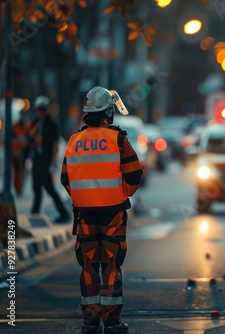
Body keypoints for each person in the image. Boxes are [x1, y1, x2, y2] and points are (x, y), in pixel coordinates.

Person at [60, 86, 142, 334]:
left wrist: (85, 198)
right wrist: (119, 194)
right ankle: (113, 321)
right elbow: (134, 174)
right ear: (109, 113)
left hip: (84, 214)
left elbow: (66, 179)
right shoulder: (118, 139)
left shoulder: (74, 141)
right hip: (113, 214)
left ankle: (91, 321)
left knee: (88, 265)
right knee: (110, 265)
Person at [26, 96, 70, 222]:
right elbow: (29, 138)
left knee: (49, 188)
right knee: (37, 188)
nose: (41, 111)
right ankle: (34, 213)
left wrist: (52, 162)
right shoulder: (35, 123)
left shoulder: (51, 124)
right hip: (37, 159)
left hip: (45, 160)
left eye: (43, 109)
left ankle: (61, 213)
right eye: (39, 109)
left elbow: (55, 145)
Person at [12, 111, 31, 195]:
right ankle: (17, 188)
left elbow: (30, 139)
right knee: (16, 172)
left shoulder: (28, 126)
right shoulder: (14, 126)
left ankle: (20, 188)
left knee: (22, 172)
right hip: (15, 153)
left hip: (24, 154)